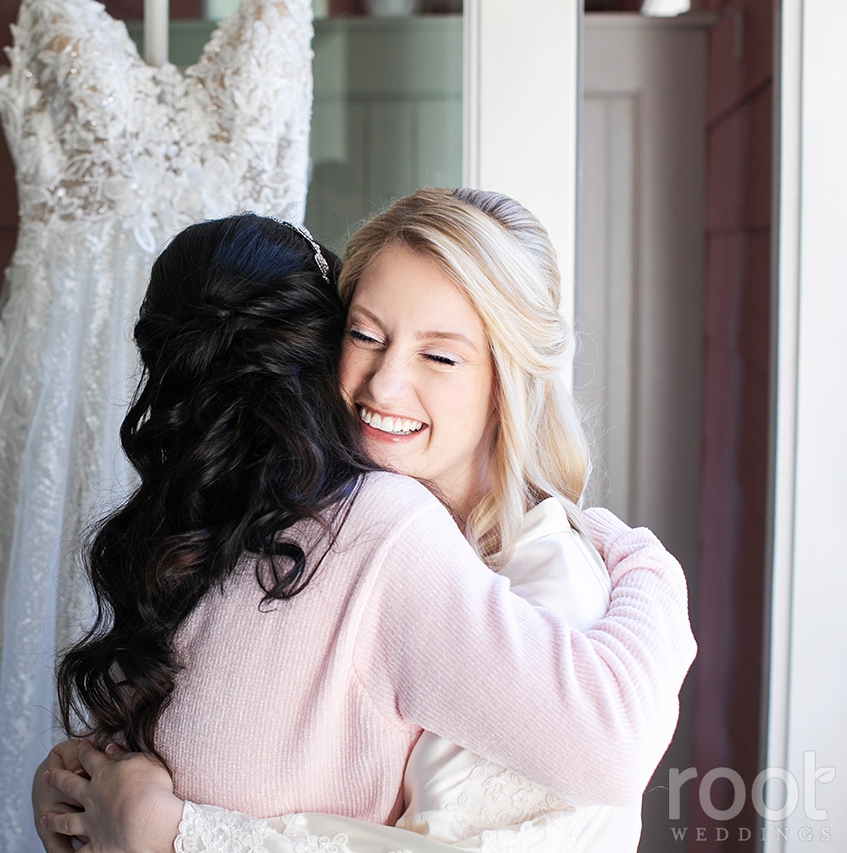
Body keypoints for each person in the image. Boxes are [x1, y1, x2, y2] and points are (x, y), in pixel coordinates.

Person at [34, 198, 695, 852]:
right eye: (366, 335)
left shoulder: (402, 534)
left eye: (440, 356)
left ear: (510, 380)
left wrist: (644, 562)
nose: (384, 385)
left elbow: (610, 744)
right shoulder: (273, 511)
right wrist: (77, 788)